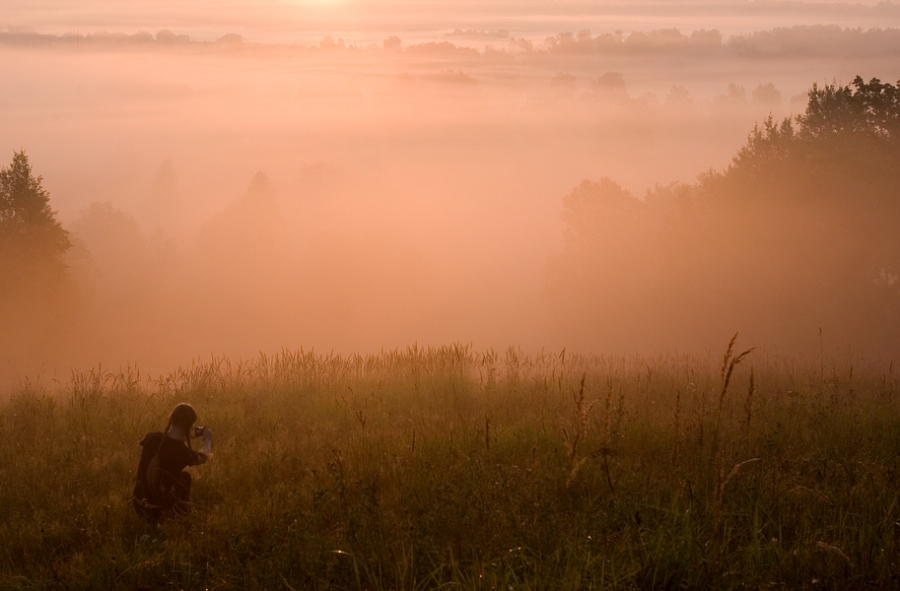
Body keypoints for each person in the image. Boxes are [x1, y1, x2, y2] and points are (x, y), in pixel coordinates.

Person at [133, 403, 212, 521]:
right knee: (185, 478)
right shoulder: (183, 452)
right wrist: (207, 439)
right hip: (157, 511)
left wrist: (185, 433)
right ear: (189, 425)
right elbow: (203, 457)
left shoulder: (151, 437)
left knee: (180, 476)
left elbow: (169, 440)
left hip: (138, 503)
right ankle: (180, 516)